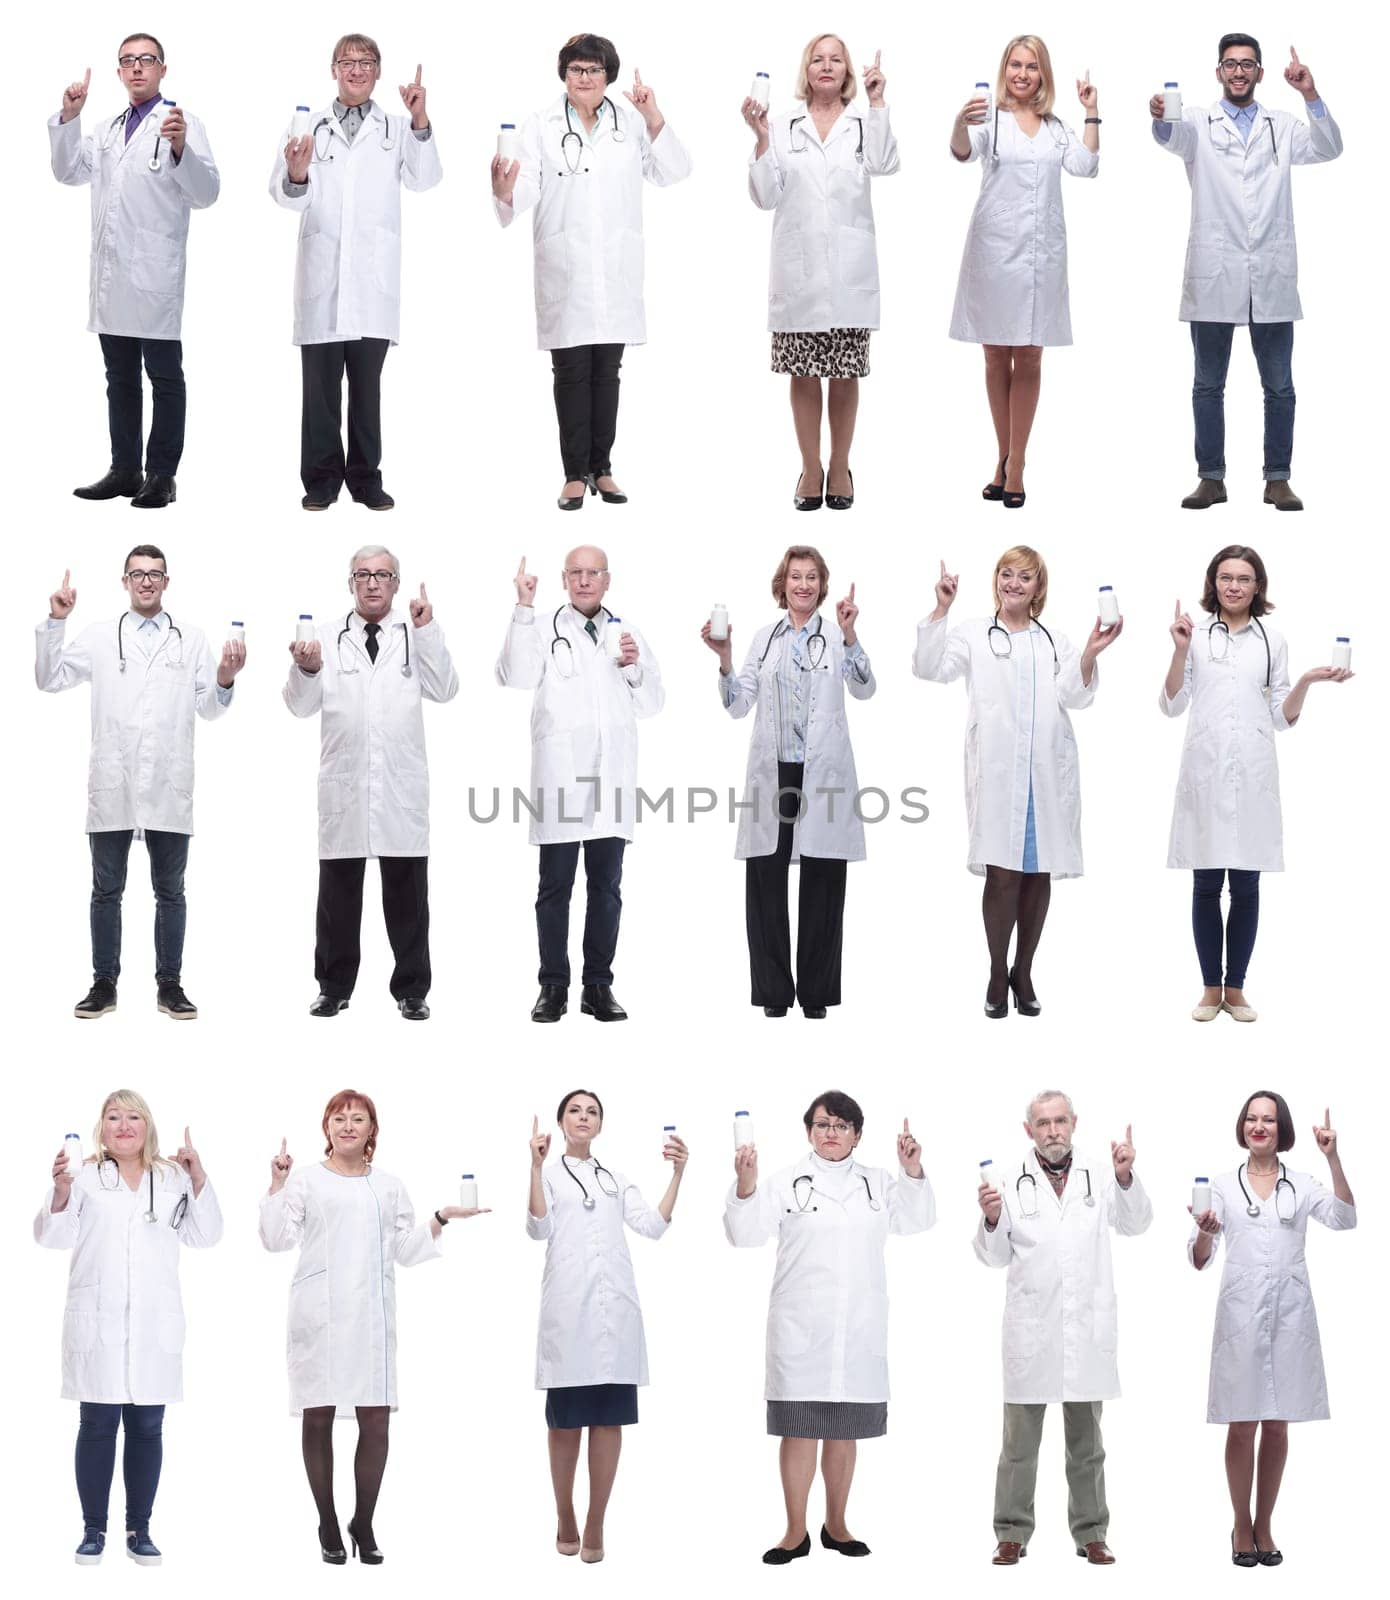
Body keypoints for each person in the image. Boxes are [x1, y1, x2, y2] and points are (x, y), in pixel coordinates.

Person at [260, 1089, 487, 1565]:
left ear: (371, 1130)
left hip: (370, 1317)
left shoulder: (388, 1185)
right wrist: (277, 1184)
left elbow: (403, 1250)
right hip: (319, 1316)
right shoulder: (305, 1181)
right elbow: (275, 1239)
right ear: (327, 1128)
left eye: (357, 1119)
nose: (347, 1126)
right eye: (338, 1118)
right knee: (317, 1416)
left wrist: (442, 1217)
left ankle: (363, 1520)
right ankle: (327, 1521)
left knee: (376, 1419)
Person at [725, 1092, 935, 1563]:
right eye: (822, 1124)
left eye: (842, 1125)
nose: (831, 1133)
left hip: (857, 1331)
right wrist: (745, 1183)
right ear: (808, 1131)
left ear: (858, 1134)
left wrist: (912, 1171)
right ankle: (794, 1532)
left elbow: (919, 1219)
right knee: (799, 1430)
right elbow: (744, 1235)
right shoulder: (782, 1182)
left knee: (843, 1432)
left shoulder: (879, 1183)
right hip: (801, 1330)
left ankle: (836, 1526)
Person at [36, 548, 244, 1021]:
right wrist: (55, 621)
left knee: (171, 891)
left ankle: (169, 986)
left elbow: (209, 708)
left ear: (167, 582)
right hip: (114, 782)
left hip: (168, 785)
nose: (146, 582)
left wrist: (226, 678)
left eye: (154, 575)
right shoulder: (100, 636)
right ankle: (103, 984)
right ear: (124, 581)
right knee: (106, 890)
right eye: (137, 574)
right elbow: (48, 679)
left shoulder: (189, 639)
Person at [914, 547, 1121, 1017]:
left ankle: (1023, 971)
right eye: (1006, 574)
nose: (1013, 583)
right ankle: (995, 970)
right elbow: (929, 669)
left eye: (1024, 577)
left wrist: (1089, 652)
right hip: (1000, 775)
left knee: (1038, 873)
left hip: (1045, 774)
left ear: (1038, 587)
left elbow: (1076, 694)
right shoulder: (972, 634)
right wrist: (942, 609)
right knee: (1001, 875)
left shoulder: (1054, 640)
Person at [491, 33, 692, 509]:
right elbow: (525, 189)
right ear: (564, 74)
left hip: (615, 268)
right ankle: (574, 473)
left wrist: (654, 116)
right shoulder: (540, 126)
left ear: (609, 76)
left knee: (608, 372)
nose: (585, 77)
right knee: (571, 372)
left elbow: (675, 171)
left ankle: (602, 468)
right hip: (567, 267)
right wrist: (503, 190)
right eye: (577, 69)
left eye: (595, 70)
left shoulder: (631, 123)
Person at [1151, 37, 1342, 511]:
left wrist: (1310, 94)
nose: (1239, 72)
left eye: (1247, 65)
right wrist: (1160, 114)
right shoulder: (1196, 121)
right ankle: (1211, 478)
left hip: (1270, 275)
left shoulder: (1283, 124)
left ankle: (1278, 479)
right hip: (1215, 272)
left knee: (1279, 385)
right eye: (1230, 64)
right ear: (1218, 72)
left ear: (1260, 72)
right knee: (1207, 385)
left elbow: (1330, 147)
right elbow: (1169, 137)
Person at [1161, 545, 1351, 1022]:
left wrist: (1306, 681)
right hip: (1204, 773)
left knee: (1246, 886)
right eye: (1225, 577)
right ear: (1213, 583)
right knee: (1206, 885)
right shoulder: (1196, 634)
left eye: (1243, 578)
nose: (1233, 586)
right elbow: (1170, 704)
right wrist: (1181, 649)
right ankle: (1210, 990)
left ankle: (1237, 989)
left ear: (1257, 586)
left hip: (1252, 775)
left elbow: (1281, 718)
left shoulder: (1273, 640)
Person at [35, 1089, 222, 1566]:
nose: (123, 1125)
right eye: (113, 1117)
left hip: (153, 1326)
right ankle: (92, 1530)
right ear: (101, 1127)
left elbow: (205, 1235)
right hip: (97, 1321)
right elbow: (52, 1238)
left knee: (147, 1426)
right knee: (97, 1425)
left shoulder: (173, 1176)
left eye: (133, 1116)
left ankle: (139, 1529)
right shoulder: (84, 1177)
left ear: (147, 1125)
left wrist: (199, 1176)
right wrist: (59, 1191)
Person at [976, 1090, 1151, 1566]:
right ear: (1028, 1129)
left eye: (1060, 1122)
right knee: (1018, 1447)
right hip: (1031, 1332)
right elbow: (992, 1257)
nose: (1052, 1131)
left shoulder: (1101, 1172)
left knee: (1088, 1446)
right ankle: (1011, 1532)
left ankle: (1092, 1532)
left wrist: (1125, 1176)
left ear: (1074, 1123)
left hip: (1084, 1332)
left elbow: (1136, 1224)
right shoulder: (1008, 1179)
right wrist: (991, 1217)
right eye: (1043, 1123)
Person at [284, 546, 458, 1020]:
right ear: (351, 583)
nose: (373, 582)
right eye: (363, 574)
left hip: (400, 790)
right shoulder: (322, 638)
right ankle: (333, 987)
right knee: (337, 900)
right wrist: (308, 669)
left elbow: (445, 688)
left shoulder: (414, 633)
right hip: (346, 786)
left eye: (383, 574)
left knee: (408, 899)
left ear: (397, 584)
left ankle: (412, 990)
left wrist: (427, 631)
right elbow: (299, 707)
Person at [702, 546, 874, 1017]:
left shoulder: (837, 636)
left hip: (823, 770)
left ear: (822, 585)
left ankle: (816, 994)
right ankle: (774, 994)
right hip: (774, 770)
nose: (803, 584)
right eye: (796, 576)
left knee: (823, 881)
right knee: (765, 883)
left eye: (812, 577)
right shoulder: (765, 638)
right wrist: (724, 658)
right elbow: (738, 704)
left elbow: (865, 687)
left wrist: (852, 634)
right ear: (783, 583)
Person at [271, 35, 441, 511]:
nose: (357, 70)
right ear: (333, 69)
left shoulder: (397, 126)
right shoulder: (307, 125)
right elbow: (284, 195)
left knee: (367, 393)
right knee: (320, 394)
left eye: (366, 62)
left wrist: (421, 120)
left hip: (372, 281)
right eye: (348, 62)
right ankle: (322, 480)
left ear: (378, 72)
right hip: (322, 276)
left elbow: (425, 180)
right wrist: (299, 173)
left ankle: (366, 479)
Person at [51, 36, 220, 508]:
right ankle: (125, 469)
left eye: (147, 60)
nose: (137, 68)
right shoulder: (105, 130)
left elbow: (206, 193)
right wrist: (69, 118)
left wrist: (182, 146)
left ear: (163, 69)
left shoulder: (179, 123)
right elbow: (68, 171)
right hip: (112, 277)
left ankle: (161, 475)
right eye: (128, 61)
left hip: (155, 275)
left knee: (164, 378)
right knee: (119, 377)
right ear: (119, 72)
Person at [496, 549, 663, 1022]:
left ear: (608, 579)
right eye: (576, 573)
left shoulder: (627, 631)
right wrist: (524, 608)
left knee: (606, 889)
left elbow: (653, 703)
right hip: (562, 777)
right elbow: (516, 676)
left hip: (611, 777)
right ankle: (553, 988)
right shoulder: (543, 625)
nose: (585, 581)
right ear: (564, 580)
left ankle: (597, 987)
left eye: (593, 573)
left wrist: (632, 667)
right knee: (555, 888)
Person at [1189, 1092, 1355, 1567]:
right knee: (1241, 1423)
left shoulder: (1301, 1184)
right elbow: (1200, 1257)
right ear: (1242, 1126)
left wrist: (1333, 1157)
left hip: (1289, 1316)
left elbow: (1345, 1218)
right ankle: (1241, 1524)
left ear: (1283, 1128)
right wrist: (1204, 1229)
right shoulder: (1221, 1186)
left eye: (1268, 1120)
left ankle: (1266, 1524)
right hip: (1241, 1317)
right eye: (1251, 1119)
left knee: (1278, 1424)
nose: (1258, 1126)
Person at [528, 1090, 687, 1563]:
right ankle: (565, 1514)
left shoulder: (616, 1180)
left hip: (613, 1317)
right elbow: (537, 1227)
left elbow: (654, 1226)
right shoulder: (550, 1176)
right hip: (568, 1315)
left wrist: (678, 1174)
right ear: (559, 1122)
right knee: (565, 1424)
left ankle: (596, 1518)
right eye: (574, 1110)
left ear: (600, 1125)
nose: (584, 1117)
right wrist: (533, 1169)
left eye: (592, 1112)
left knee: (608, 1420)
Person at [742, 37, 899, 510]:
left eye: (836, 59)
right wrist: (761, 139)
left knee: (845, 374)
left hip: (849, 271)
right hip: (800, 272)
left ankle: (841, 465)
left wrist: (877, 103)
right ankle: (811, 469)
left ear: (848, 70)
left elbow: (884, 163)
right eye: (817, 58)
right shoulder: (782, 122)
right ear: (806, 69)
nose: (826, 66)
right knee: (804, 374)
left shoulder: (862, 120)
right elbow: (765, 196)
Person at [949, 37, 1098, 508]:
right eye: (1015, 64)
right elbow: (962, 152)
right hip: (994, 253)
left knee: (1030, 357)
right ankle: (1003, 457)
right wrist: (958, 121)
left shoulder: (1056, 128)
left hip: (1040, 256)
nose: (1022, 73)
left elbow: (1086, 166)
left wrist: (1092, 111)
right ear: (1004, 69)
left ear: (1043, 74)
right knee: (996, 356)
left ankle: (1018, 463)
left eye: (1031, 66)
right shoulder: (989, 118)